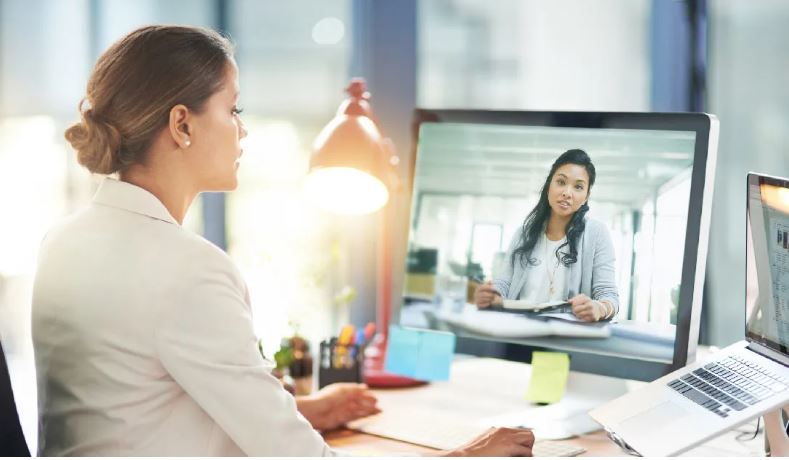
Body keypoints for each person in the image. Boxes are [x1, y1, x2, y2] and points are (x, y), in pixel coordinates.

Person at [31, 25, 534, 456]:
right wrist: (469, 453)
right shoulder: (187, 269)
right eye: (233, 110)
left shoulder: (63, 241)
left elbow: (136, 410)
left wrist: (299, 412)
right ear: (181, 124)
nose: (242, 131)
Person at [474, 149, 619, 322]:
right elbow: (504, 284)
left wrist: (599, 308)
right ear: (549, 185)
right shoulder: (523, 234)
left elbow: (610, 297)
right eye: (561, 182)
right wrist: (491, 295)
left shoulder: (596, 234)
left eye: (578, 186)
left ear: (586, 196)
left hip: (565, 337)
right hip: (517, 331)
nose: (567, 192)